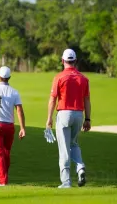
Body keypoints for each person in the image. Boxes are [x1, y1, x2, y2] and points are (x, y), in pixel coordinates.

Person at [46, 49, 90, 188]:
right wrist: (88, 119)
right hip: (78, 114)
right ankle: (80, 167)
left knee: (64, 148)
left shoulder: (59, 77)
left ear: (62, 61)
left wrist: (49, 118)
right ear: (75, 61)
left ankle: (66, 182)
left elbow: (53, 100)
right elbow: (87, 100)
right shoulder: (83, 78)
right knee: (74, 144)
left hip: (64, 114)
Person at [0, 66, 25, 186]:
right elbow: (19, 110)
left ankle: (2, 181)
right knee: (6, 152)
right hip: (9, 126)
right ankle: (4, 176)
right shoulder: (14, 92)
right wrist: (22, 128)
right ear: (9, 78)